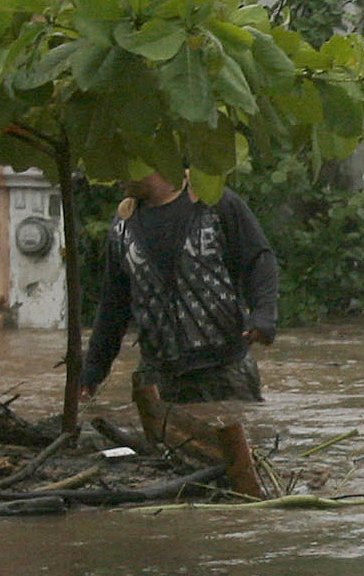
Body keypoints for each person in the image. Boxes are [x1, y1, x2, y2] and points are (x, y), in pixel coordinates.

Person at [80, 171, 280, 498]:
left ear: (156, 162)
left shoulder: (216, 203)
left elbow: (259, 260)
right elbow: (113, 306)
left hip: (225, 368)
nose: (115, 172)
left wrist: (264, 315)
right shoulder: (123, 225)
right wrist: (92, 372)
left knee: (242, 469)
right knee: (179, 464)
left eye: (125, 163)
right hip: (161, 376)